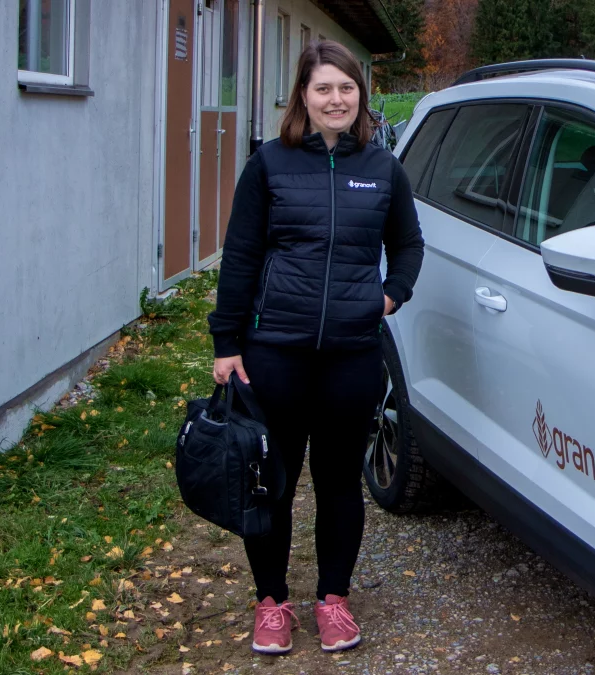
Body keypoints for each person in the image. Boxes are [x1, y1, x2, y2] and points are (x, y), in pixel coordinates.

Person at [206, 40, 424, 655]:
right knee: (270, 482)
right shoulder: (270, 165)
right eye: (324, 88)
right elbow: (242, 256)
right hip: (275, 350)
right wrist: (227, 342)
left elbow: (408, 245)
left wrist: (389, 297)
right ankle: (271, 603)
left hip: (352, 355)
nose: (336, 99)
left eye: (347, 88)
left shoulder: (383, 169)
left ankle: (334, 598)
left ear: (361, 96)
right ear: (303, 95)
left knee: (338, 483)